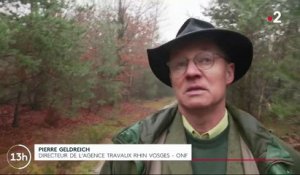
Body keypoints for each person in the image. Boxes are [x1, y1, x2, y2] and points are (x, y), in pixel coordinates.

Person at [100, 18, 300, 174]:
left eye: (205, 60)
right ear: (172, 77)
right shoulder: (129, 155)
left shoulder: (280, 161)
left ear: (228, 73)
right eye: (180, 64)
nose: (191, 72)